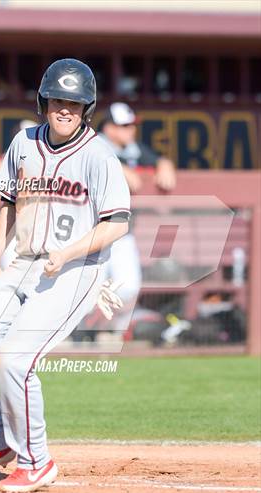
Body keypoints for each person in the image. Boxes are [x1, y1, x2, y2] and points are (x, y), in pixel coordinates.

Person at [0, 59, 131, 493]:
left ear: (87, 107)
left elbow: (117, 222)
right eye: (57, 100)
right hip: (23, 262)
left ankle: (37, 461)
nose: (65, 108)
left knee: (15, 358)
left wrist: (68, 252)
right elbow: (7, 202)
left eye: (75, 102)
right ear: (43, 102)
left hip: (76, 269)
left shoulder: (99, 155)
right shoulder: (23, 143)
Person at [97, 103, 176, 331]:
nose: (130, 130)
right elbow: (95, 159)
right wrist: (118, 167)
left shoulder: (133, 148)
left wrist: (164, 164)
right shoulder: (94, 145)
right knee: (84, 289)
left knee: (128, 286)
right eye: (124, 126)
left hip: (122, 232)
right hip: (91, 232)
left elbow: (158, 159)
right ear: (109, 128)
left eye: (132, 125)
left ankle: (109, 330)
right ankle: (79, 335)